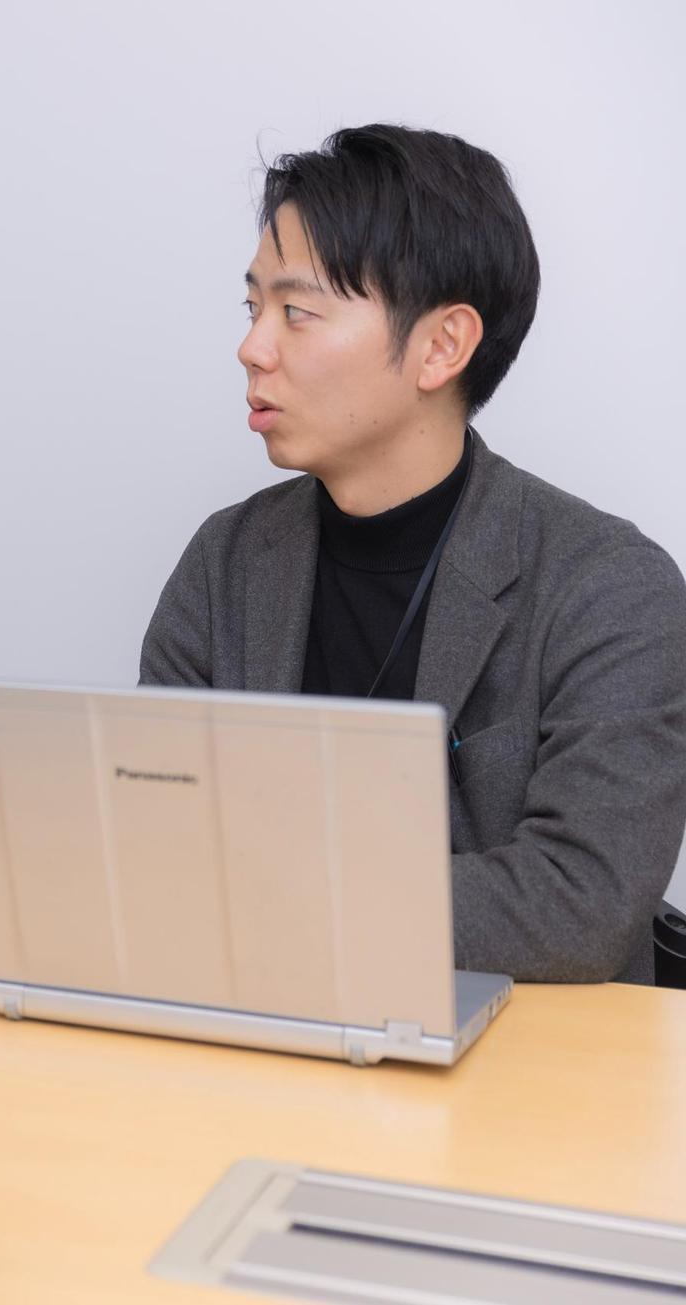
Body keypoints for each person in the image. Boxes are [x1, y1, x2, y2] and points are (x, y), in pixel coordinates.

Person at [141, 124, 686, 983]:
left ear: (441, 346)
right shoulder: (228, 561)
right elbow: (155, 838)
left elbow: (579, 902)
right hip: (261, 1029)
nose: (253, 347)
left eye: (296, 312)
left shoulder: (610, 588)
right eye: (253, 309)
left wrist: (279, 900)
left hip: (524, 1050)